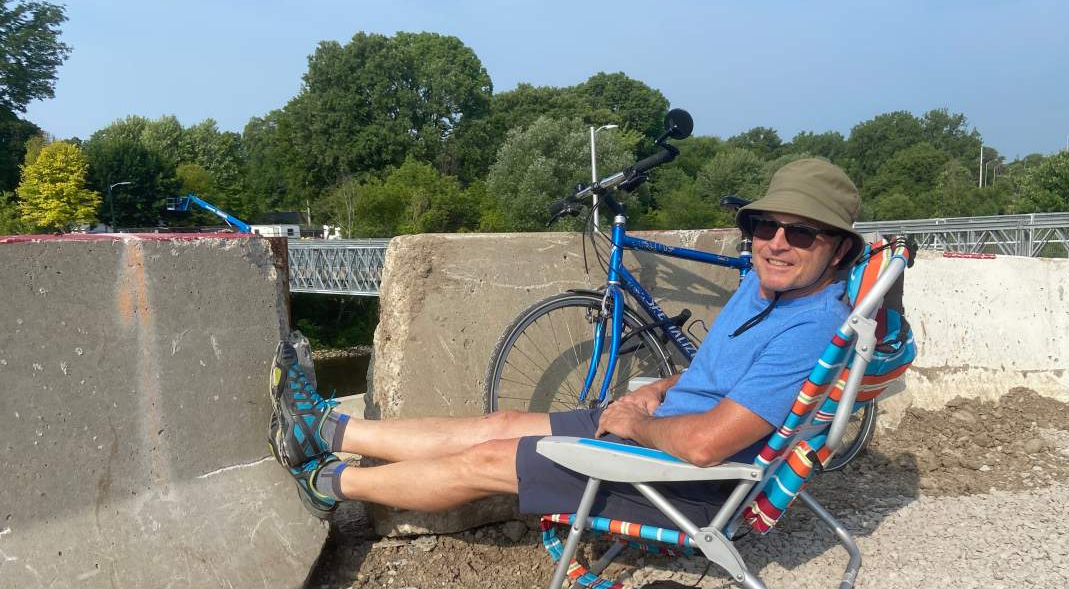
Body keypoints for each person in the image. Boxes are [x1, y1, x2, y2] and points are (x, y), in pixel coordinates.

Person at [269, 159, 867, 524]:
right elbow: (716, 378)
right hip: (656, 438)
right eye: (766, 225)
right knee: (500, 423)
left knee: (485, 463)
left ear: (838, 248)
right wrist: (653, 392)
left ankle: (326, 483)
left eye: (802, 233)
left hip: (685, 484)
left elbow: (709, 447)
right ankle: (326, 431)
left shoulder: (809, 326)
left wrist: (635, 423)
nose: (777, 241)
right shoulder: (766, 288)